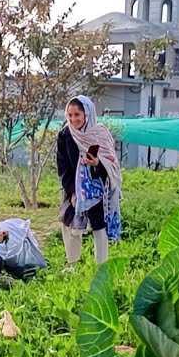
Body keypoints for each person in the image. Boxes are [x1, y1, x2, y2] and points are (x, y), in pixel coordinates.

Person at [56, 95, 122, 267]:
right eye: (70, 115)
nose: (73, 119)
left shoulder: (99, 133)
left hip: (97, 186)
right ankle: (73, 265)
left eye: (77, 114)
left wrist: (97, 163)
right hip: (73, 187)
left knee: (99, 226)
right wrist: (72, 191)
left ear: (87, 114)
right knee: (70, 225)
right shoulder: (65, 135)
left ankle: (102, 265)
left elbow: (111, 161)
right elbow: (63, 167)